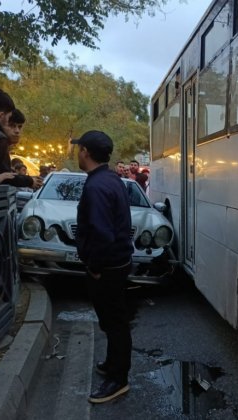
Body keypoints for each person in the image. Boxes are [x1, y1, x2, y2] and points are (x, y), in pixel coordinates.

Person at [71, 130, 134, 404]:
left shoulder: (97, 186)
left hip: (107, 267)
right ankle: (112, 364)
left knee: (115, 322)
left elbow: (102, 233)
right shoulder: (110, 178)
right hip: (117, 263)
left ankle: (118, 379)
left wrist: (95, 267)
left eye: (78, 148)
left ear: (85, 151)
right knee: (112, 320)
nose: (76, 152)